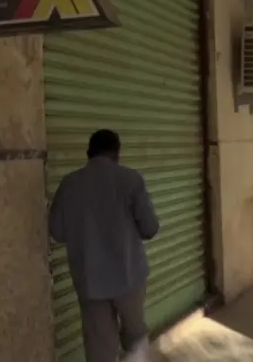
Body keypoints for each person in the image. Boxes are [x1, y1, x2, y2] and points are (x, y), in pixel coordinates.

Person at [49, 129, 160, 362]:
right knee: (135, 336)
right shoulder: (131, 180)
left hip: (90, 282)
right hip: (129, 277)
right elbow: (150, 228)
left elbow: (57, 232)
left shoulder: (69, 184)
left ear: (89, 153)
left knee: (99, 348)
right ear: (117, 153)